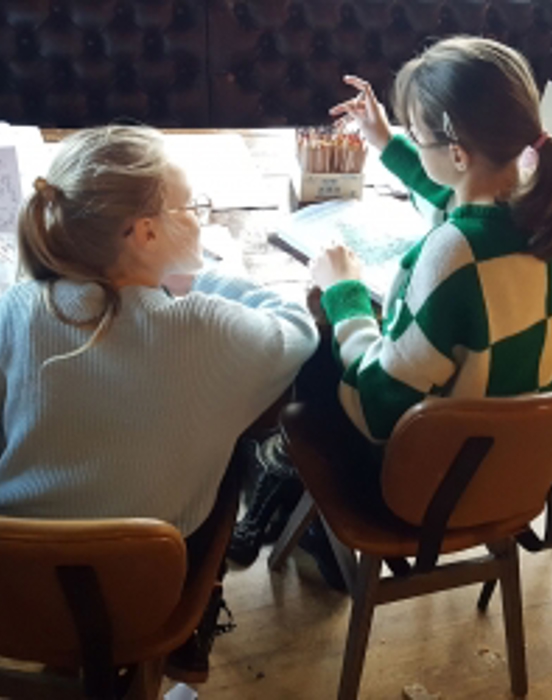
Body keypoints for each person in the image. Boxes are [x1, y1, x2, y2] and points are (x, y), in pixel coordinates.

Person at [0, 125, 319, 680]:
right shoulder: (206, 327)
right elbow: (297, 329)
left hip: (15, 591)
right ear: (146, 234)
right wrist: (203, 274)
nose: (200, 217)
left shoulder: (18, 307)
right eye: (191, 206)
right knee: (236, 464)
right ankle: (187, 648)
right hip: (147, 597)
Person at [311, 36, 552, 447]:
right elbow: (455, 204)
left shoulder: (455, 251)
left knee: (312, 369)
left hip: (440, 478)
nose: (416, 143)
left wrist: (343, 292)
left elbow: (377, 408)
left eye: (418, 136)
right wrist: (387, 142)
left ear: (458, 155)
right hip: (523, 456)